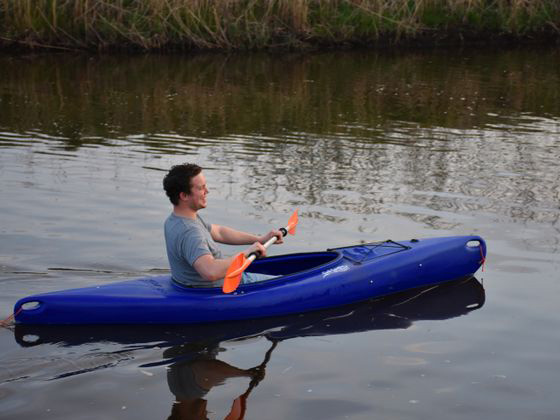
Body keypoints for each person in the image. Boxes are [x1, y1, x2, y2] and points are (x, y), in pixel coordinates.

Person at [163, 163, 283, 288]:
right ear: (184, 195)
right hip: (224, 289)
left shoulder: (175, 220)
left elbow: (219, 232)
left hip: (191, 284)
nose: (207, 191)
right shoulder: (190, 232)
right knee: (284, 282)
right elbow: (210, 272)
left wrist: (261, 239)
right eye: (201, 188)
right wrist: (246, 254)